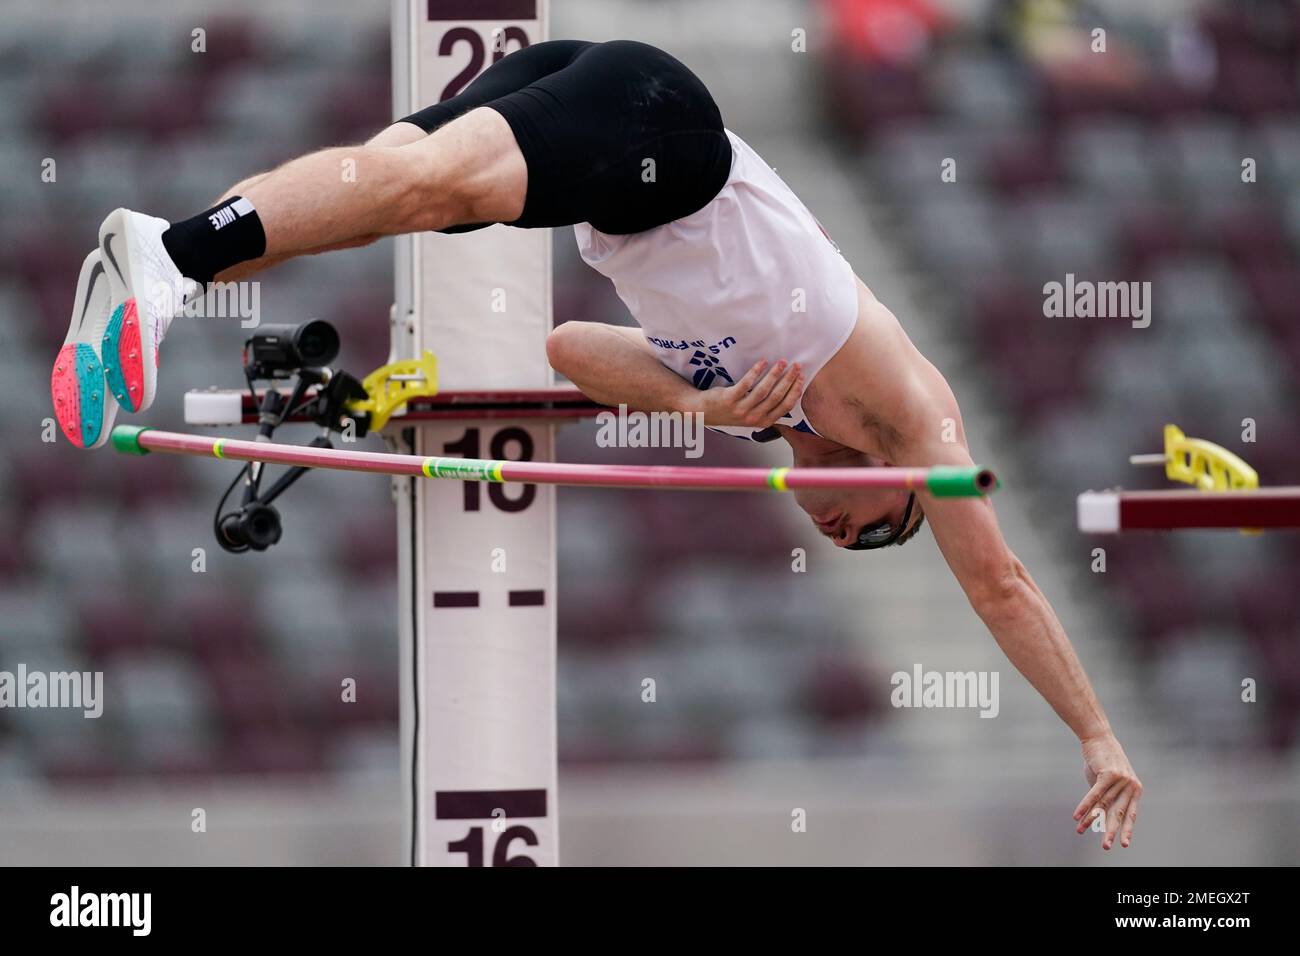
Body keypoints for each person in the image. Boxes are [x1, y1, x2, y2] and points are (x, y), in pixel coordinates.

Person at [50, 38, 1141, 848]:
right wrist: (1096, 734)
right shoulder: (907, 415)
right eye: (871, 532)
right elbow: (998, 580)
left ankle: (161, 262)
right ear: (884, 494)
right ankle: (173, 256)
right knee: (431, 188)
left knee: (372, 194)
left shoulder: (760, 409)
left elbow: (570, 345)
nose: (840, 534)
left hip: (614, 160)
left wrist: (704, 410)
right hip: (663, 133)